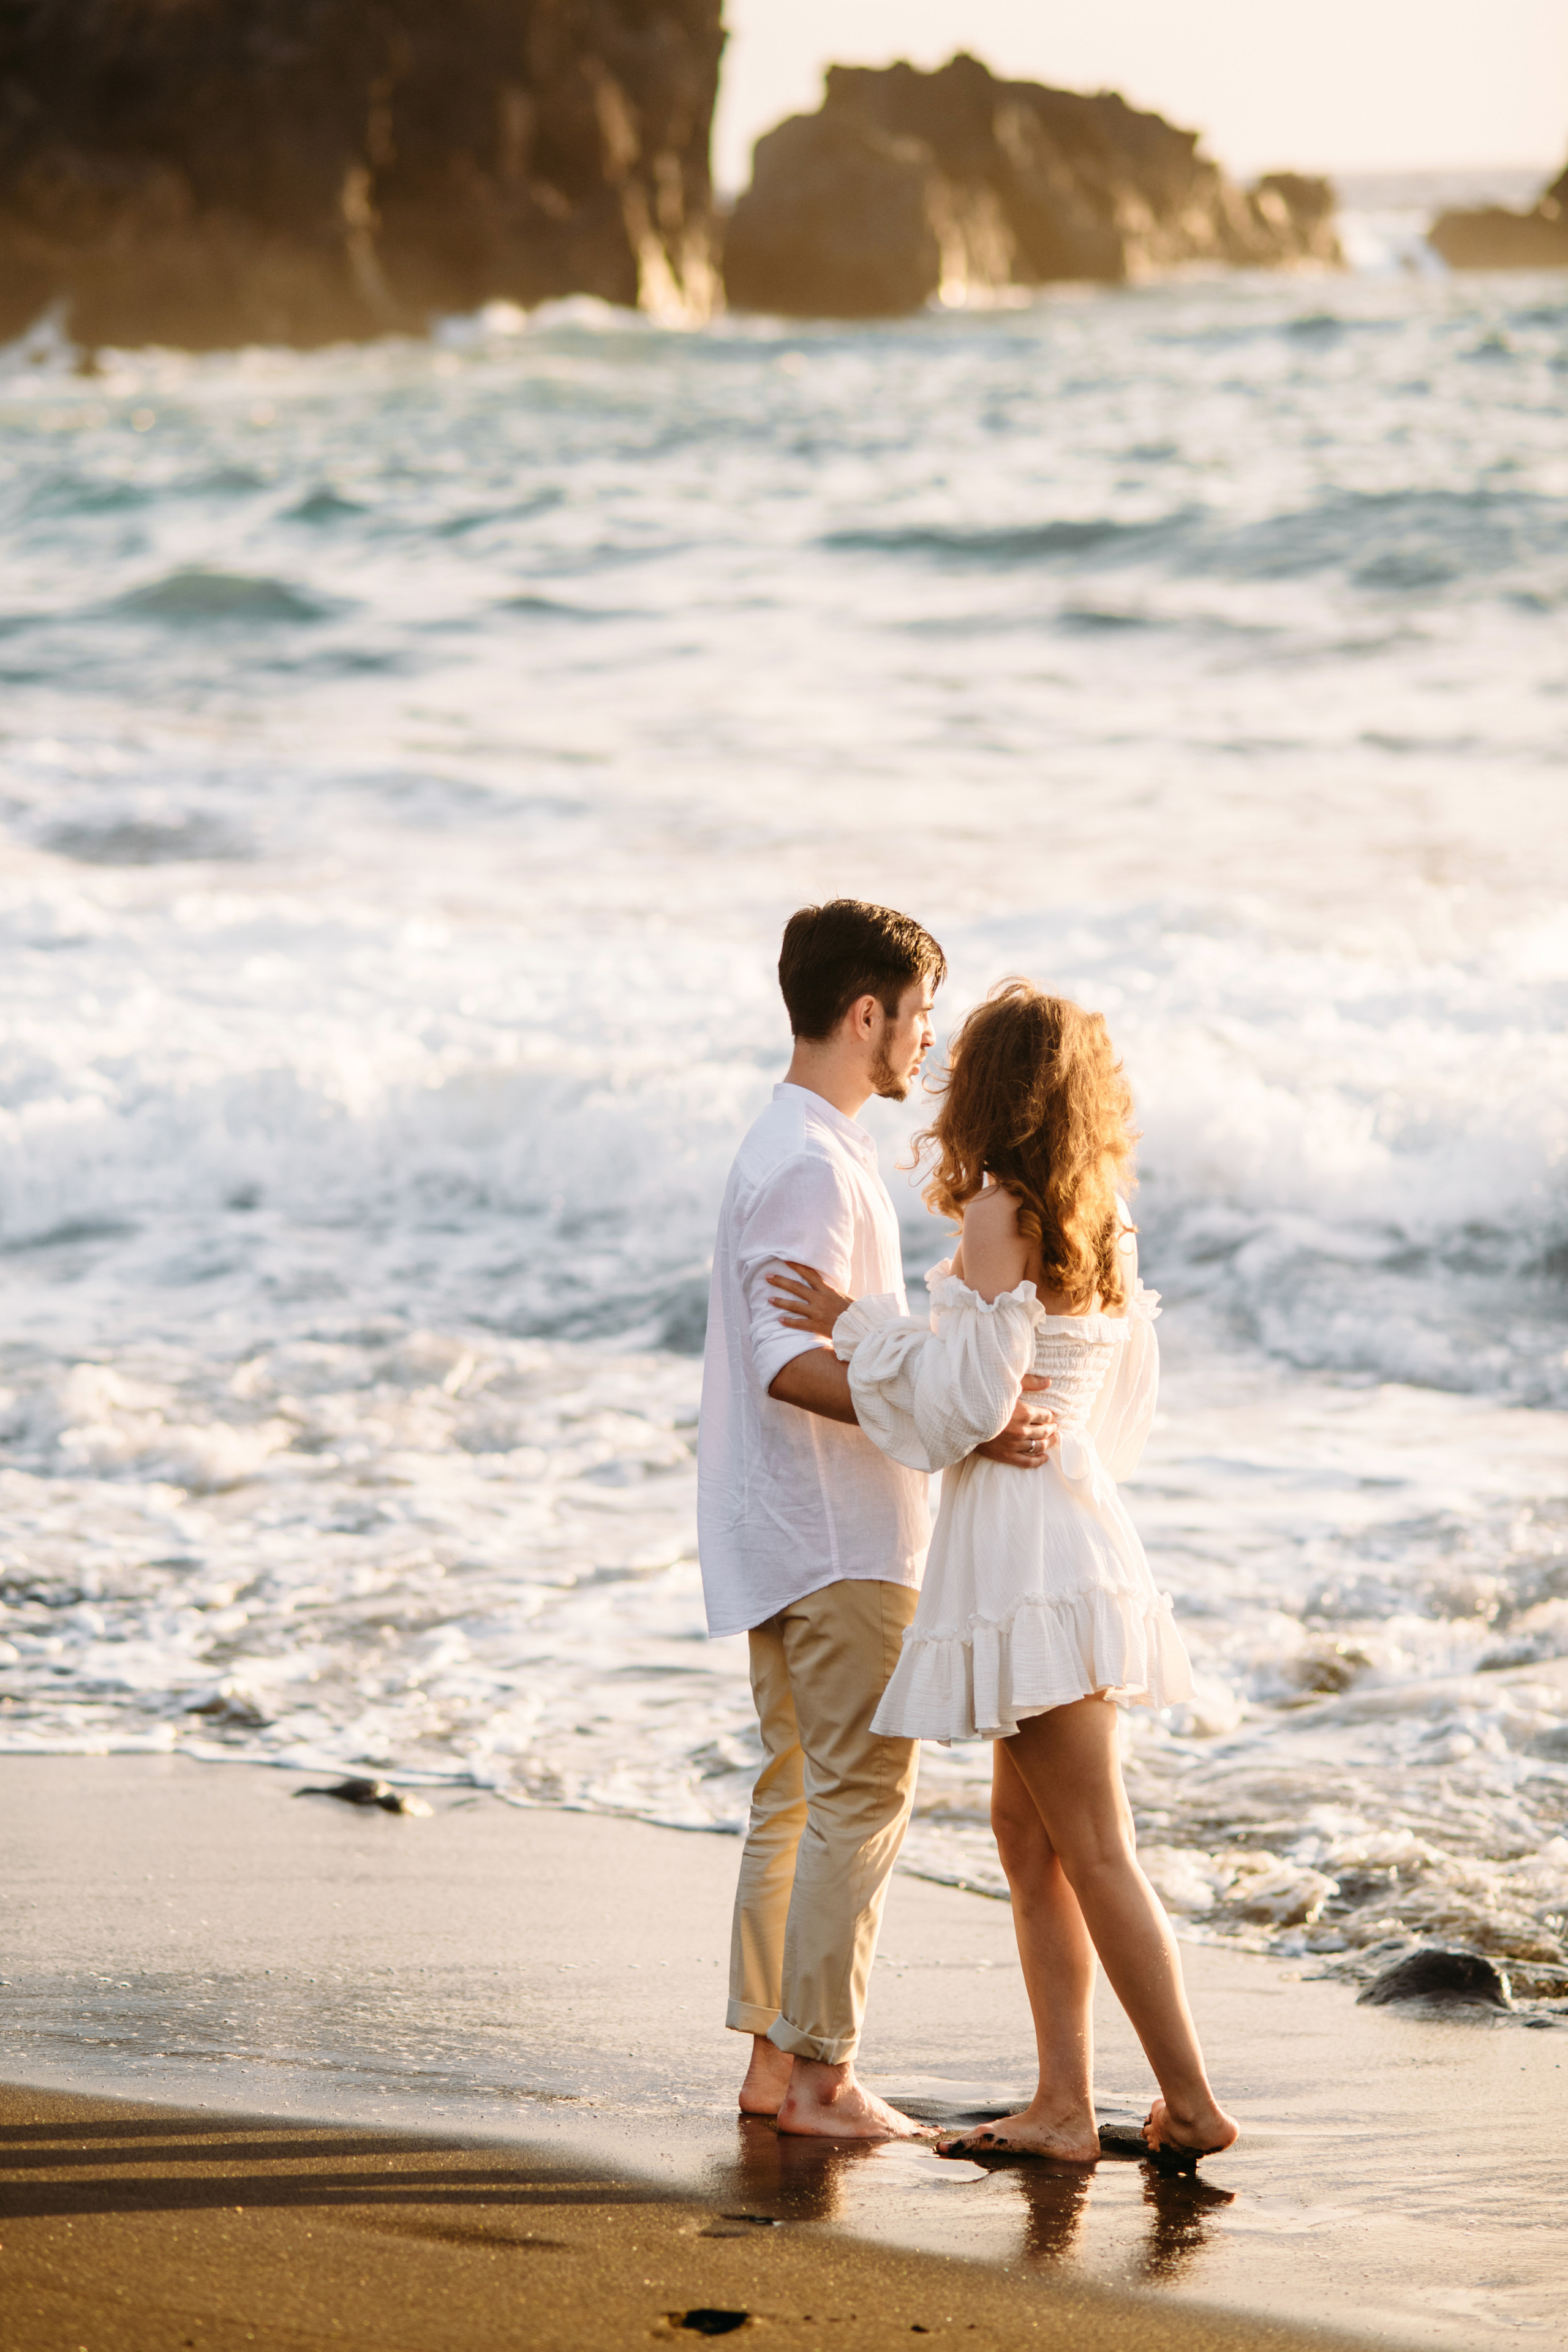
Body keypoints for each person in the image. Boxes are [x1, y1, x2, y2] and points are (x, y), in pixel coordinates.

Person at [769, 979, 1238, 2165]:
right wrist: (1054, 1451)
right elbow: (1117, 1405)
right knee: (1028, 1841)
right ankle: (1063, 2108)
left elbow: (947, 1418)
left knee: (1090, 1847)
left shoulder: (999, 1211)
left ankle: (1187, 2104)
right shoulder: (1102, 1216)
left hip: (1025, 1556)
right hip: (1073, 1534)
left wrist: (854, 1324)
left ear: (987, 1086)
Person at [698, 906, 1058, 2142]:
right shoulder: (808, 1161)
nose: (924, 1040)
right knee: (858, 1797)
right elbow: (783, 1362)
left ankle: (769, 2070)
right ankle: (820, 2080)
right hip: (836, 1535)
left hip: (787, 1529)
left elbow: (797, 1347)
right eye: (915, 1015)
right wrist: (955, 1422)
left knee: (797, 1794)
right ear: (865, 1015)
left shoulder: (793, 1143)